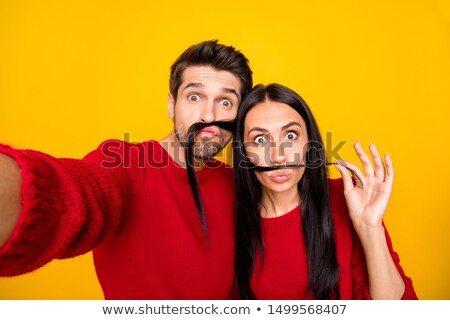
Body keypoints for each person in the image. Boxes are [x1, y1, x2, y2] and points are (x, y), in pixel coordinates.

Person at [0, 40, 253, 299]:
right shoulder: (123, 163)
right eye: (194, 97)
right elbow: (77, 191)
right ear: (171, 104)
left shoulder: (238, 183)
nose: (208, 116)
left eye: (225, 103)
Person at [233, 83, 418, 299]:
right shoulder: (229, 213)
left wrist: (370, 228)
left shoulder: (347, 197)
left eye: (290, 136)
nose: (278, 156)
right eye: (260, 139)